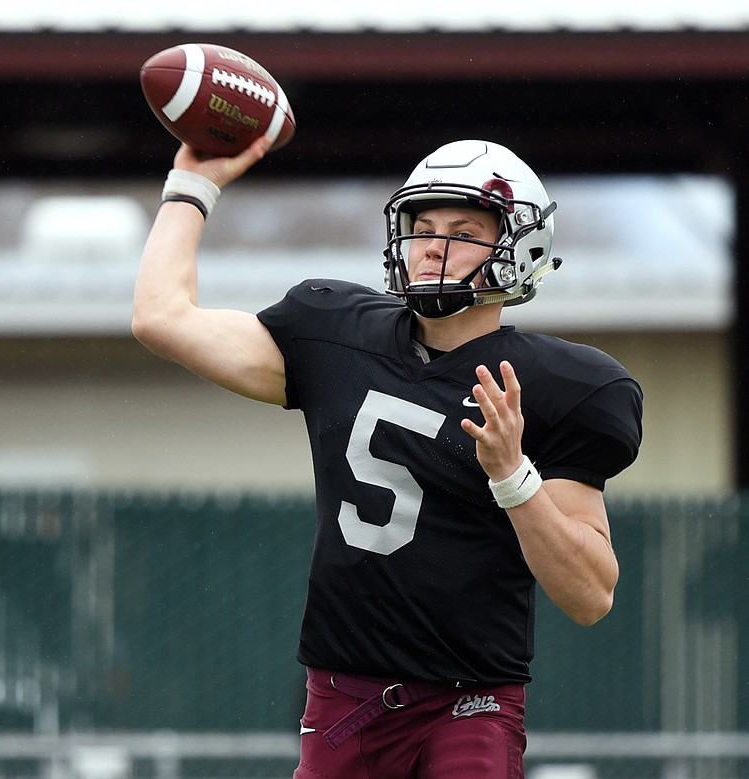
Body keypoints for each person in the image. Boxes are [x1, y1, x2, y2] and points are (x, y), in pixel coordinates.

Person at [132, 138, 643, 778]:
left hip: (472, 701)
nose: (433, 245)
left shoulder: (559, 387)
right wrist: (193, 183)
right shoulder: (333, 334)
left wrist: (514, 476)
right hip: (344, 699)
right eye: (422, 227)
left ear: (520, 248)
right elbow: (160, 317)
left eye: (462, 231)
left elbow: (592, 595)